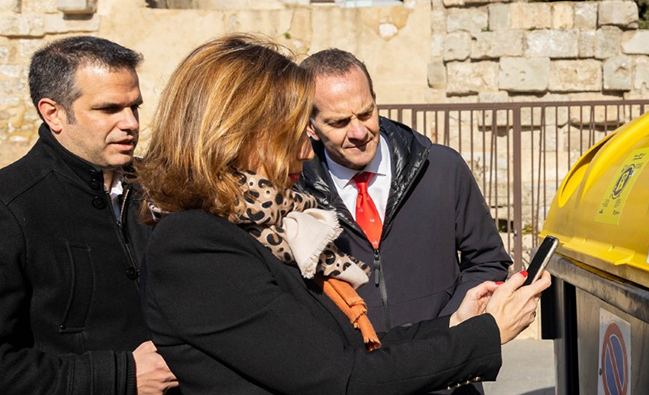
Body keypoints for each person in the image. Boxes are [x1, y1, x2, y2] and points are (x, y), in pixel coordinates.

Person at [136, 34, 550, 395]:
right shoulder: (195, 245)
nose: (304, 149)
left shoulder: (263, 225)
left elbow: (345, 348)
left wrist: (457, 323)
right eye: (296, 131)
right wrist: (485, 336)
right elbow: (340, 379)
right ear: (242, 134)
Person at [0, 36, 178, 394]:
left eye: (135, 107)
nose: (130, 123)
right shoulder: (11, 207)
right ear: (53, 113)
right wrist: (120, 375)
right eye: (109, 109)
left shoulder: (164, 190)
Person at [298, 49, 512, 339]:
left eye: (366, 113)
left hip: (449, 368)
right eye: (339, 122)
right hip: (356, 375)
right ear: (311, 127)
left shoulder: (442, 168)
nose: (359, 132)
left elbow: (489, 261)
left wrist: (449, 330)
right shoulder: (295, 195)